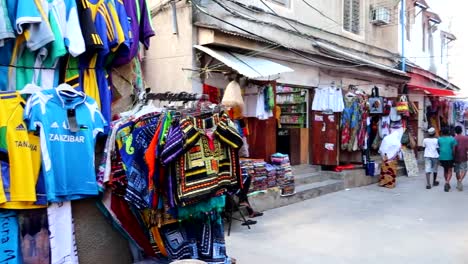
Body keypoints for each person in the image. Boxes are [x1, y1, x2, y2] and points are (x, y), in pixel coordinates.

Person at [438, 127, 458, 192]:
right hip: (450, 157)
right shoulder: (452, 139)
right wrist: (454, 156)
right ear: (448, 132)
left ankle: (447, 182)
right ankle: (447, 182)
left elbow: (439, 148)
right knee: (450, 170)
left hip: (442, 157)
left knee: (445, 170)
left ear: (442, 132)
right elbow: (454, 150)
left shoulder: (439, 139)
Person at [453, 126, 468, 191]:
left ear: (455, 131)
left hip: (456, 156)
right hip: (464, 155)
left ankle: (458, 182)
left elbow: (453, 148)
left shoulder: (453, 138)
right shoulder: (466, 138)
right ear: (461, 131)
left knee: (457, 170)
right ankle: (460, 180)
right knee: (464, 169)